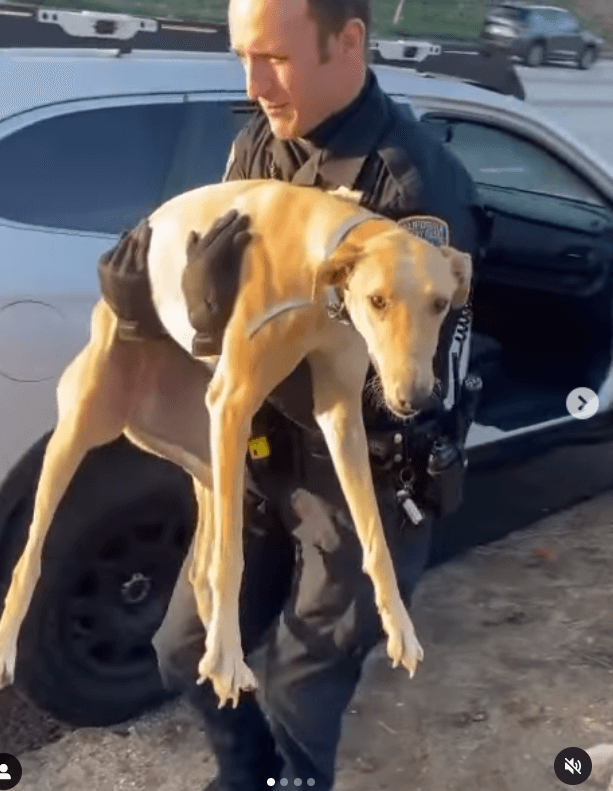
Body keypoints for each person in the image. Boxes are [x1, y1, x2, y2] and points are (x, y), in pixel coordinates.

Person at [100, 1, 489, 789]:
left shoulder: (409, 187)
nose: (251, 83)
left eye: (272, 58)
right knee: (184, 647)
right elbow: (233, 305)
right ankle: (244, 772)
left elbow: (420, 384)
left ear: (347, 42)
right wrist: (162, 312)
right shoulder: (260, 144)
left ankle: (291, 777)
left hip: (359, 484)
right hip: (261, 458)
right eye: (243, 56)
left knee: (294, 689)